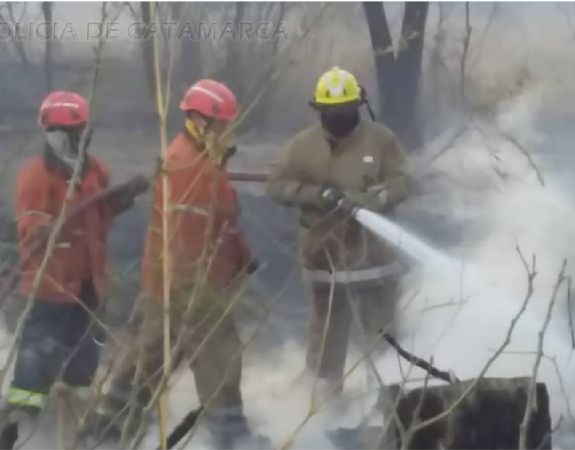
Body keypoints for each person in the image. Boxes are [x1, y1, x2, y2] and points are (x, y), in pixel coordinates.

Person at [87, 79, 268, 449]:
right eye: (223, 124)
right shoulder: (188, 167)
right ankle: (231, 438)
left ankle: (110, 429)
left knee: (147, 359)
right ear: (201, 121)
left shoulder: (202, 159)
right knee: (216, 359)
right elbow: (190, 242)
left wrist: (241, 258)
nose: (227, 131)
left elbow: (222, 225)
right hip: (190, 288)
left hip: (179, 286)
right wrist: (200, 295)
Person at [2, 91, 148, 423]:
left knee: (83, 352)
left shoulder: (95, 169)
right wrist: (46, 226)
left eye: (80, 129)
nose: (78, 136)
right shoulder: (36, 176)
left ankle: (71, 414)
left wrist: (124, 197)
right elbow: (30, 225)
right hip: (51, 284)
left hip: (89, 282)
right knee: (37, 352)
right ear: (53, 132)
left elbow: (100, 215)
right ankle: (23, 417)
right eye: (71, 130)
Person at [266, 67, 410, 394]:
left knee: (383, 334)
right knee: (327, 334)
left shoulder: (381, 140)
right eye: (330, 110)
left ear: (358, 106)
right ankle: (321, 407)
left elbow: (403, 181)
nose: (337, 116)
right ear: (318, 109)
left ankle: (389, 398)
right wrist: (315, 195)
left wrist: (376, 199)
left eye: (344, 109)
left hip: (375, 259)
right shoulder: (302, 147)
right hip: (325, 258)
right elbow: (276, 185)